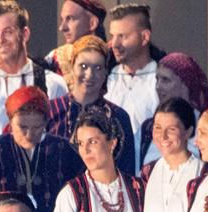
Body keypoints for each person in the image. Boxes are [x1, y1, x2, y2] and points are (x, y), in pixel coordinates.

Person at [0, 1, 67, 135]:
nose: (0, 40)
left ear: (25, 34)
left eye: (8, 32)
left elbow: (60, 138)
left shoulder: (53, 84)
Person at [46, 36, 135, 175]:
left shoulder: (117, 117)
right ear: (72, 67)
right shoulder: (50, 111)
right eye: (83, 66)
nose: (89, 74)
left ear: (105, 72)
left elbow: (126, 172)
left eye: (98, 68)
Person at [105, 3, 164, 173]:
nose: (114, 44)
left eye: (122, 36)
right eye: (113, 36)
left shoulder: (164, 80)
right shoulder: (106, 79)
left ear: (145, 37)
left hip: (153, 176)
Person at [139, 52, 208, 167]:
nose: (158, 86)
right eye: (157, 79)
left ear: (185, 84)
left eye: (165, 80)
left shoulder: (207, 126)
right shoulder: (148, 128)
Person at [45, 0, 107, 74]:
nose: (62, 28)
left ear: (92, 23)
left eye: (70, 18)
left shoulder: (113, 62)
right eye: (62, 20)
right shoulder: (53, 60)